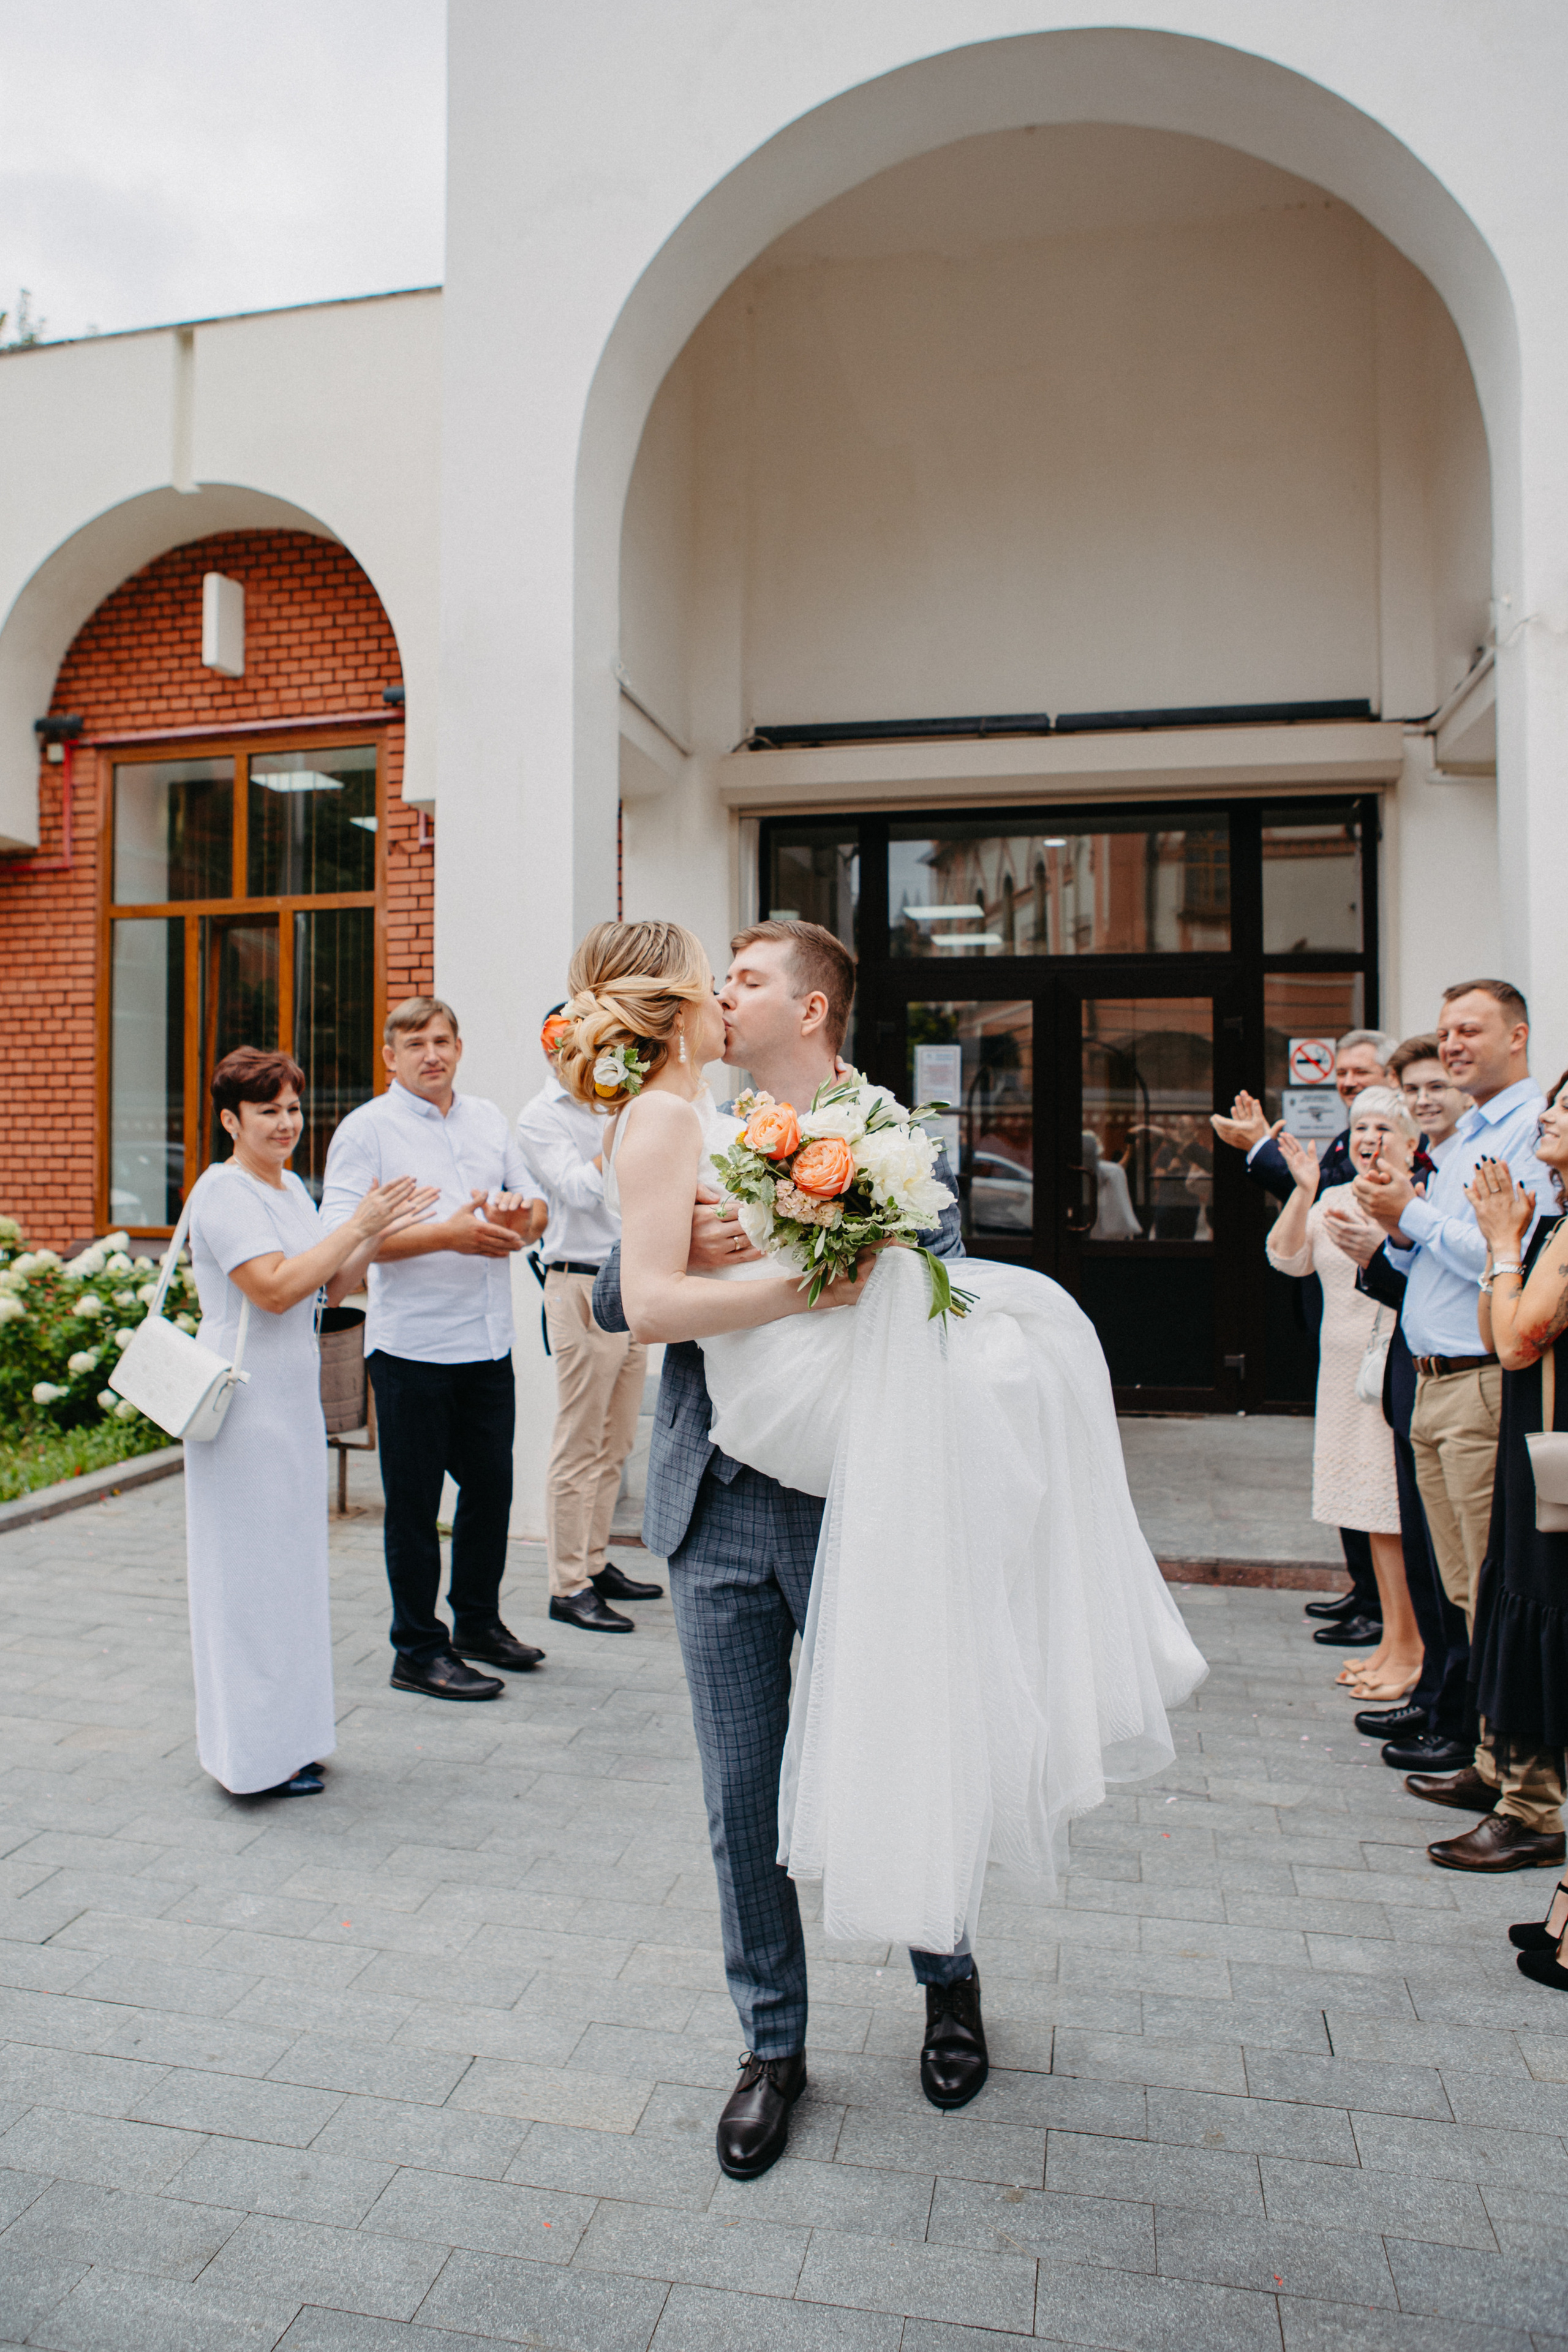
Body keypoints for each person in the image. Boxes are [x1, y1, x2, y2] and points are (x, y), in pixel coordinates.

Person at [587, 916, 1204, 2181]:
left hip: (862, 1500)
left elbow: (937, 1283)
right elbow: (621, 1289)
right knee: (735, 1802)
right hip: (710, 1507)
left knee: (911, 1745)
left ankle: (949, 1980)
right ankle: (770, 2048)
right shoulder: (685, 1122)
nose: (720, 992)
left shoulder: (893, 1137)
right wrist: (694, 1252)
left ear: (808, 1010)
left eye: (745, 977)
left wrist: (814, 1248)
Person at [184, 1047, 435, 1796]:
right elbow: (271, 1290)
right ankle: (249, 1759)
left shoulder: (291, 1186)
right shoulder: (223, 1193)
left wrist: (372, 1233)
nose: (287, 1123)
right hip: (242, 1413)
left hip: (291, 1406)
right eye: (269, 1111)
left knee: (291, 1578)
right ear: (231, 1120)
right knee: (247, 1584)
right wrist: (354, 1222)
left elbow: (329, 1287)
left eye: (293, 1108)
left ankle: (290, 1739)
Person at [1352, 979, 1562, 1871]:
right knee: (1470, 1584)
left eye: (1470, 1030)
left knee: (1503, 1590)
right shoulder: (1470, 1132)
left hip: (1488, 1378)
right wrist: (1394, 1226)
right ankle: (1490, 1760)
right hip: (1438, 1364)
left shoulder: (1521, 1130)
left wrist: (1417, 1218)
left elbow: (1499, 1243)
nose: (1452, 1046)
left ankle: (1530, 1794)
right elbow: (1454, 1254)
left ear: (1518, 1035)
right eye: (1444, 1032)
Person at [322, 997, 549, 1702]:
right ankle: (417, 1650)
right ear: (390, 1056)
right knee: (416, 1510)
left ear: (459, 1046)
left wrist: (518, 1217)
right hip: (412, 1351)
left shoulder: (487, 1118)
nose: (432, 1053)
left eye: (443, 1040)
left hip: (486, 1345)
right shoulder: (367, 1132)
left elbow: (536, 1206)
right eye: (415, 1042)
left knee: (490, 1497)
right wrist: (445, 1236)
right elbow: (338, 1245)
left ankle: (477, 1624)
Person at [1212, 1028, 1397, 1648]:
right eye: (1341, 1074)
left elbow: (1320, 1181)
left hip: (1379, 1339)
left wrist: (1264, 1146)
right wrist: (1282, 1162)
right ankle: (1364, 1590)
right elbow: (1306, 1208)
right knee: (1345, 1468)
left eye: (1361, 1074)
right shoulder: (1349, 1141)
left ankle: (1384, 1607)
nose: (1347, 1084)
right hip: (1336, 1335)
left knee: (1378, 1474)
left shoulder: (1389, 1151)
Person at [1324, 1035, 1472, 1771]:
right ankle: (1434, 1692)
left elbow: (1463, 1267)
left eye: (1434, 1087)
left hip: (1458, 1368)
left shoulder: (1456, 1169)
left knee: (1459, 1565)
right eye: (1412, 1087)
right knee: (1427, 1547)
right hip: (1413, 1367)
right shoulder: (1429, 1172)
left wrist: (1389, 1239)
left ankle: (1454, 1709)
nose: (1421, 1099)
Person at [1265, 1089, 1423, 1700]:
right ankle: (1392, 1643)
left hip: (1385, 1366)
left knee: (1390, 1516)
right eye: (1360, 1125)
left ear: (1409, 1142)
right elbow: (1287, 1259)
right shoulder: (1331, 1196)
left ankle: (1410, 1648)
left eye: (1384, 1126)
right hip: (1339, 1370)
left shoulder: (1408, 1202)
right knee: (1365, 1513)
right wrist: (1303, 1188)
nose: (1369, 1136)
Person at [516, 1004, 663, 1632]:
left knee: (619, 1438)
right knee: (578, 1439)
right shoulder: (539, 1116)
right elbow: (578, 1190)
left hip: (628, 1280)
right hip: (577, 1283)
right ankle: (566, 1583)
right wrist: (621, 1127)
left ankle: (596, 1560)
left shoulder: (616, 1103)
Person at [1461, 1082, 1568, 1925]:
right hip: (1537, 1443)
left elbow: (1513, 1340)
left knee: (1544, 1612)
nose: (1547, 1118)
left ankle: (1533, 1812)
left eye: (1564, 1110)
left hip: (1557, 1450)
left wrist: (1504, 1244)